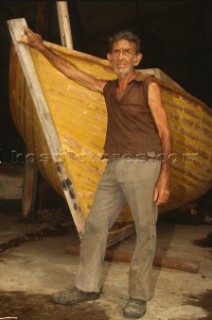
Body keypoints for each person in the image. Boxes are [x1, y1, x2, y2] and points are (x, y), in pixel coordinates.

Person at [20, 28, 172, 319]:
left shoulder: (148, 87)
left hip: (145, 165)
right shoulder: (107, 88)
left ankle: (138, 296)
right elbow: (72, 72)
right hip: (113, 165)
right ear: (109, 58)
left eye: (127, 51)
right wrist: (40, 47)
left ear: (137, 58)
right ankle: (87, 286)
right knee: (94, 226)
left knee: (145, 232)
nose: (121, 56)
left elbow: (165, 131)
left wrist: (165, 175)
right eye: (116, 51)